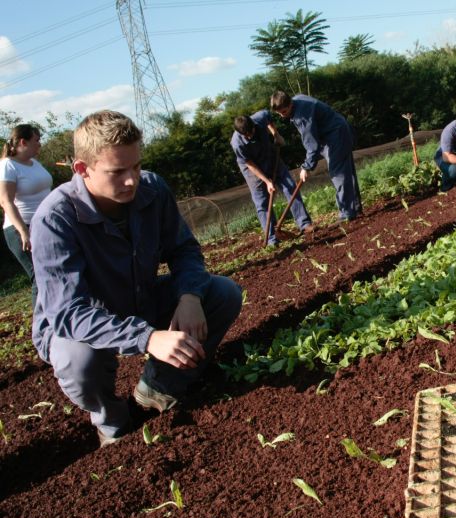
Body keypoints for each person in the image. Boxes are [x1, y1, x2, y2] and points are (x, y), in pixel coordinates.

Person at [30, 111, 243, 447]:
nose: (131, 180)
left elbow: (184, 249)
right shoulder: (54, 219)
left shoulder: (152, 189)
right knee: (77, 360)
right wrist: (147, 339)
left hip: (138, 299)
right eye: (117, 172)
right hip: (76, 324)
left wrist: (189, 297)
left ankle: (158, 388)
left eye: (136, 166)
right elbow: (69, 312)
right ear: (82, 170)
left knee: (222, 293)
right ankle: (111, 419)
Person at [270, 91, 362, 221]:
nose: (282, 116)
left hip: (335, 136)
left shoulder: (302, 115)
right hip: (336, 131)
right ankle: (355, 208)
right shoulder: (297, 100)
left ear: (290, 104)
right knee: (347, 172)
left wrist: (306, 167)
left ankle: (346, 213)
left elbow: (311, 143)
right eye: (278, 113)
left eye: (284, 112)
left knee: (339, 174)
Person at [231, 111, 314, 245]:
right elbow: (249, 164)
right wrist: (267, 181)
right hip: (252, 168)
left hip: (270, 155)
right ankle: (271, 238)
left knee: (290, 187)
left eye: (251, 132)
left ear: (253, 125)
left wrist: (276, 134)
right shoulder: (237, 143)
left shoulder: (259, 118)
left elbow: (268, 117)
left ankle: (304, 224)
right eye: (246, 135)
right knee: (262, 202)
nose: (249, 136)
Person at [0, 124, 53, 306]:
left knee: (54, 272)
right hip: (22, 228)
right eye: (36, 140)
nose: (40, 144)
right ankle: (41, 328)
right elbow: (5, 201)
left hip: (45, 225)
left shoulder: (34, 163)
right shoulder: (8, 165)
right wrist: (23, 231)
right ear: (23, 142)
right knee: (39, 275)